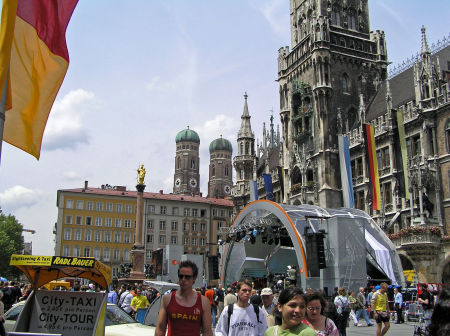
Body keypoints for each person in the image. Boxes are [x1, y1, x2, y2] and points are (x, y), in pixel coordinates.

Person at [155, 260, 212, 336]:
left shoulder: (203, 302)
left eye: (187, 277)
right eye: (181, 276)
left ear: (194, 278)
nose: (183, 279)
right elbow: (160, 328)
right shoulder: (167, 299)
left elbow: (207, 331)